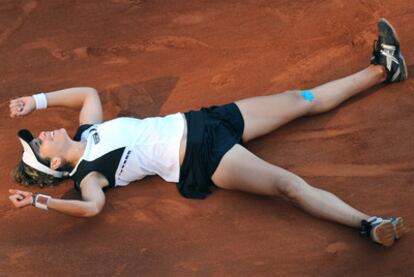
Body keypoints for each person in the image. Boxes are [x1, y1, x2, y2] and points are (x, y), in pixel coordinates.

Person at [8, 18, 407, 246]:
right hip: (204, 156)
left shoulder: (89, 130)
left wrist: (37, 99)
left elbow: (87, 94)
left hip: (206, 120)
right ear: (56, 163)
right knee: (289, 185)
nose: (43, 134)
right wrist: (41, 202)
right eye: (40, 145)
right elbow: (91, 207)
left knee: (300, 99)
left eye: (38, 135)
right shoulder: (90, 175)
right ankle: (368, 224)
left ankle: (383, 69)